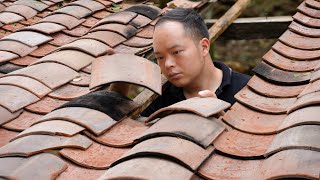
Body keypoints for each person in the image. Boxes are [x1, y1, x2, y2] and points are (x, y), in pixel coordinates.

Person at [111, 8, 250, 117]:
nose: (167, 64)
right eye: (160, 57)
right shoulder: (159, 99)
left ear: (204, 47)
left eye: (176, 52)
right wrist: (119, 82)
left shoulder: (248, 92)